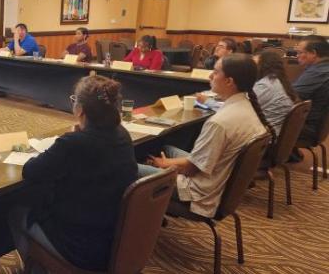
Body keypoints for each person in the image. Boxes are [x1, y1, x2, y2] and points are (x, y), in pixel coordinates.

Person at [9, 75, 138, 272]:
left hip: (79, 248)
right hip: (114, 240)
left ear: (80, 110)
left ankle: (37, 267)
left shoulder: (73, 144)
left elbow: (31, 171)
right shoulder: (122, 134)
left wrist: (67, 140)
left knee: (17, 212)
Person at [138, 54, 270, 217]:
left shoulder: (219, 123)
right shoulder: (247, 107)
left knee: (129, 168)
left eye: (215, 72)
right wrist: (167, 163)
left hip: (196, 191)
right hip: (215, 179)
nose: (210, 76)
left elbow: (191, 168)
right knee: (165, 147)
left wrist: (164, 164)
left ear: (229, 81)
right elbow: (199, 161)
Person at [292, 35, 329, 143]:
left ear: (313, 53)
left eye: (299, 52)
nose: (297, 56)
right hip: (317, 124)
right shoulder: (322, 67)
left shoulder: (318, 72)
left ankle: (275, 156)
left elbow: (290, 97)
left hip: (308, 127)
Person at [252, 50, 297, 136]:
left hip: (266, 137)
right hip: (277, 131)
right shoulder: (277, 80)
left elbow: (245, 107)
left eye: (254, 64)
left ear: (263, 66)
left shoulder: (265, 85)